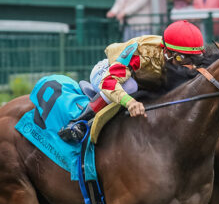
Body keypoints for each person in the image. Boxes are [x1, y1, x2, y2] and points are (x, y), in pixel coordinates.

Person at [58, 20, 205, 143]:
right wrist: (130, 103)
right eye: (181, 59)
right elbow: (109, 82)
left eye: (194, 59)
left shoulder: (182, 59)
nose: (189, 66)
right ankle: (77, 124)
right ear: (166, 52)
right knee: (130, 86)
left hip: (142, 80)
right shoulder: (141, 52)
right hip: (108, 72)